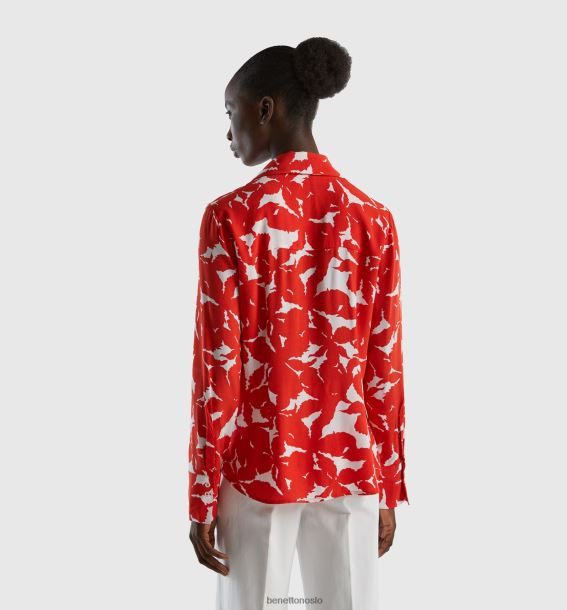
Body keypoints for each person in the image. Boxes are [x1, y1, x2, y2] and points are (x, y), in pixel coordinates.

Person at [187, 37, 409, 610]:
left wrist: (203, 490)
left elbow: (219, 367)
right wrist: (388, 482)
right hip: (352, 462)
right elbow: (384, 365)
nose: (228, 132)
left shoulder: (231, 218)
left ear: (266, 109)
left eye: (231, 113)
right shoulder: (374, 218)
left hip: (257, 466)